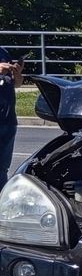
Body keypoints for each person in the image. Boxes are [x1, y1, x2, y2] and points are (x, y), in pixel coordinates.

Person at [0, 47, 23, 185]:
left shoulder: (3, 52)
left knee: (2, 169)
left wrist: (17, 73)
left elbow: (17, 84)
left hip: (8, 120)